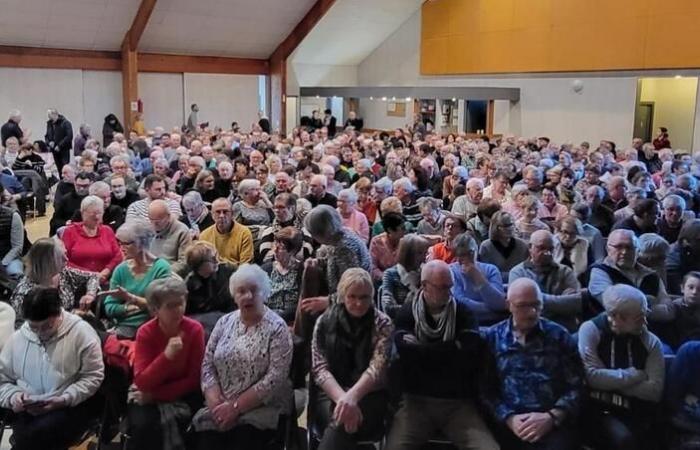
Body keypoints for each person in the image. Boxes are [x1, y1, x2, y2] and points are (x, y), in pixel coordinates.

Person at [385, 260, 500, 450]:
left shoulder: (463, 313)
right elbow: (405, 353)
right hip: (416, 402)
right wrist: (451, 348)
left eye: (450, 286)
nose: (449, 292)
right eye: (442, 287)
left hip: (458, 404)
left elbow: (468, 353)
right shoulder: (407, 312)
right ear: (424, 286)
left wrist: (422, 349)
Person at [193, 264, 292, 449]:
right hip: (219, 405)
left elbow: (275, 378)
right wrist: (215, 402)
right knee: (205, 440)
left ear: (264, 293)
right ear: (234, 296)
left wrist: (235, 407)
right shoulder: (224, 322)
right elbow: (207, 364)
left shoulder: (277, 328)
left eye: (254, 290)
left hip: (260, 408)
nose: (247, 296)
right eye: (241, 291)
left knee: (241, 440)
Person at [483, 278, 583, 450]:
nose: (532, 312)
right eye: (523, 306)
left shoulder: (559, 336)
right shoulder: (491, 338)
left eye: (537, 305)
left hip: (550, 421)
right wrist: (509, 418)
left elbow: (577, 386)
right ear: (509, 305)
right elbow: (485, 389)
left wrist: (552, 417)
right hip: (507, 423)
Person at [0, 287, 104, 450]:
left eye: (47, 326)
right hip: (26, 405)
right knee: (29, 435)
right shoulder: (18, 337)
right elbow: (3, 379)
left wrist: (65, 399)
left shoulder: (82, 334)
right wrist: (14, 396)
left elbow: (93, 377)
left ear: (59, 314)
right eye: (34, 327)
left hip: (69, 404)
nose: (40, 333)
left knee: (35, 436)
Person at [311, 268, 393, 450]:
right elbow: (319, 368)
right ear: (342, 296)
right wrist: (344, 399)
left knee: (340, 421)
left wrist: (352, 397)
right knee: (343, 416)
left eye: (364, 297)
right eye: (352, 296)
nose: (358, 303)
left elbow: (377, 368)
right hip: (332, 392)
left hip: (370, 394)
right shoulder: (324, 321)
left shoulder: (383, 323)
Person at [578, 284, 664, 450]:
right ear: (617, 317)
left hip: (639, 410)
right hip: (599, 408)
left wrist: (609, 380)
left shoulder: (651, 341)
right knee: (622, 438)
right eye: (639, 318)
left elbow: (654, 391)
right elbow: (592, 378)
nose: (645, 322)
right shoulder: (591, 330)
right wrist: (635, 375)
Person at [126, 278, 206, 450]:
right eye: (171, 306)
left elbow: (194, 380)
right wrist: (167, 356)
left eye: (181, 303)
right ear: (155, 310)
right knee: (143, 426)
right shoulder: (145, 332)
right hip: (148, 390)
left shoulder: (194, 329)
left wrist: (156, 396)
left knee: (196, 424)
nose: (178, 310)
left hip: (183, 393)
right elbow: (141, 382)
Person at [104, 221, 172, 339]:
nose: (121, 248)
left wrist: (130, 298)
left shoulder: (161, 268)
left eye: (126, 244)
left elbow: (160, 307)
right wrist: (130, 308)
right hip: (123, 328)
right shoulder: (121, 269)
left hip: (152, 329)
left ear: (141, 243)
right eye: (120, 243)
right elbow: (109, 307)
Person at [301, 205, 371, 316]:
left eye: (314, 234)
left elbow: (353, 287)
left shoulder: (345, 249)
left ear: (324, 233)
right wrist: (317, 261)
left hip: (353, 306)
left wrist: (328, 301)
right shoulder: (338, 237)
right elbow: (332, 259)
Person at [509, 230, 583, 331]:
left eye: (551, 249)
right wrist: (560, 300)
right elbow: (521, 306)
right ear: (530, 248)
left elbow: (576, 303)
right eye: (541, 248)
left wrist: (535, 299)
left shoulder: (565, 271)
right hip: (530, 328)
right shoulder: (518, 272)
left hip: (562, 329)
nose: (547, 253)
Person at [11, 238, 99, 323]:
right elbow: (30, 327)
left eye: (65, 254)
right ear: (46, 262)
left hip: (70, 323)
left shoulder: (63, 273)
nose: (66, 259)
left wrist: (90, 294)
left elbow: (93, 276)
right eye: (60, 257)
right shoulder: (24, 294)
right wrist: (72, 316)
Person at [589, 229, 670, 309]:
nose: (624, 252)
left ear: (637, 250)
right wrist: (649, 302)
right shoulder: (600, 272)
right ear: (608, 249)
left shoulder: (651, 275)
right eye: (619, 247)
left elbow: (668, 310)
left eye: (629, 247)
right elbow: (612, 303)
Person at [62, 195, 122, 284]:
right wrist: (91, 275)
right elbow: (64, 260)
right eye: (93, 214)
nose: (97, 217)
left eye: (100, 213)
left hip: (105, 281)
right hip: (77, 282)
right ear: (82, 213)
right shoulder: (70, 231)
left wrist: (106, 271)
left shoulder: (107, 231)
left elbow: (117, 256)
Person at [450, 233, 506, 326]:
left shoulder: (491, 269)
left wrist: (477, 277)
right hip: (466, 322)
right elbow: (461, 304)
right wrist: (493, 310)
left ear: (475, 252)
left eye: (465, 254)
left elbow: (499, 303)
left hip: (495, 323)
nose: (460, 260)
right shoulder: (451, 271)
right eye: (457, 255)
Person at [380, 234, 430, 318]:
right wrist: (416, 308)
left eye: (426, 253)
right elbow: (388, 308)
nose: (424, 259)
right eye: (420, 253)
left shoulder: (425, 274)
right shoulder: (390, 274)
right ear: (408, 254)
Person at [257, 192, 314, 263]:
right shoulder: (268, 231)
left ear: (292, 208)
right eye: (275, 207)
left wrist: (278, 252)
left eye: (281, 207)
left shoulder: (305, 231)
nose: (277, 211)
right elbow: (265, 256)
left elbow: (305, 255)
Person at [264, 227, 304, 324]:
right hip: (267, 319)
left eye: (281, 247)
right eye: (275, 245)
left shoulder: (302, 271)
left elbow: (301, 303)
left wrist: (279, 317)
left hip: (293, 321)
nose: (275, 250)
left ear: (293, 251)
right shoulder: (266, 269)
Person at [200, 198, 254, 267]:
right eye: (218, 212)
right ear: (212, 215)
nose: (221, 216)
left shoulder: (244, 233)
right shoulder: (204, 235)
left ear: (232, 214)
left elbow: (245, 265)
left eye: (225, 212)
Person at [479, 211, 529, 283]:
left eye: (511, 225)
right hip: (495, 285)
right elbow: (485, 272)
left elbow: (526, 271)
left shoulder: (522, 245)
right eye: (505, 226)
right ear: (496, 227)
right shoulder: (486, 246)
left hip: (518, 284)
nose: (509, 228)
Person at [148, 200, 192, 277]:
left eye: (158, 222)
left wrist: (163, 272)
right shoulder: (147, 229)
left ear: (168, 216)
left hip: (170, 276)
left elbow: (184, 262)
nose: (154, 225)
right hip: (149, 272)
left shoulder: (182, 231)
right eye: (151, 220)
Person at [49, 171, 91, 235]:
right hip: (71, 233)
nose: (82, 189)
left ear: (91, 183)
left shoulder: (96, 199)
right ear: (74, 183)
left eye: (85, 186)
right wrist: (66, 223)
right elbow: (54, 221)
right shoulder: (65, 200)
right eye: (79, 185)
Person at [369, 212, 407, 283]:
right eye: (402, 228)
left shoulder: (407, 241)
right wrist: (387, 277)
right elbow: (373, 267)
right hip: (382, 281)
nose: (405, 231)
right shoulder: (376, 242)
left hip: (404, 281)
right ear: (390, 230)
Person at [0, 192, 24, 278]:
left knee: (15, 273)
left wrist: (2, 264)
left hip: (8, 258)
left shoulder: (13, 216)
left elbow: (17, 247)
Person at [44, 109, 73, 174]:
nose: (48, 117)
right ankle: (61, 180)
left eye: (49, 115)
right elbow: (46, 136)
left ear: (55, 114)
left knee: (64, 166)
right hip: (54, 149)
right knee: (58, 167)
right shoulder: (49, 124)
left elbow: (69, 136)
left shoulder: (65, 123)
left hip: (64, 149)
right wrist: (49, 142)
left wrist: (59, 145)